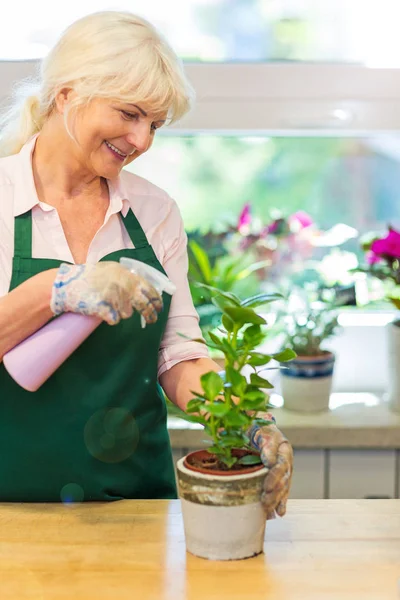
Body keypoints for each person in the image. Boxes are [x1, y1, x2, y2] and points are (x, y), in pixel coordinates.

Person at [0, 11, 292, 516]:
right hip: (9, 505)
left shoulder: (155, 213)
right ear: (67, 94)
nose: (143, 141)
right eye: (129, 114)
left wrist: (248, 418)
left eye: (155, 124)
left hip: (134, 505)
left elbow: (178, 357)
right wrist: (56, 287)